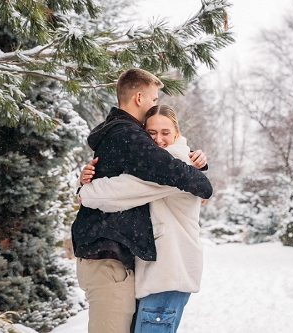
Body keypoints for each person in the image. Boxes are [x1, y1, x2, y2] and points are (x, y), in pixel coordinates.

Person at [71, 69, 212, 333]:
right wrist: (82, 185)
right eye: (152, 133)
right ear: (139, 97)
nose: (157, 139)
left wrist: (84, 191)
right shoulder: (128, 137)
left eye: (165, 132)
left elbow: (130, 187)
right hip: (118, 264)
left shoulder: (166, 157)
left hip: (166, 274)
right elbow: (130, 187)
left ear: (177, 134)